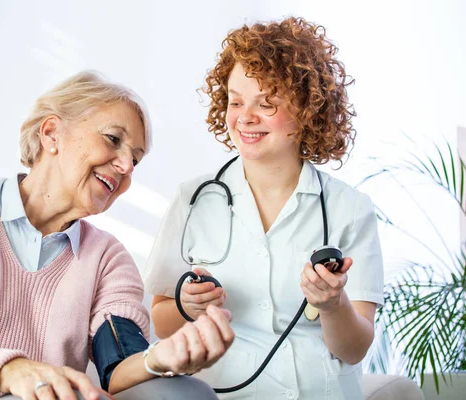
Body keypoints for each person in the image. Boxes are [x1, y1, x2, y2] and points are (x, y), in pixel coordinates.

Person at [0, 71, 234, 400]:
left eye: (135, 160)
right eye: (113, 139)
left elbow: (117, 360)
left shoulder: (108, 259)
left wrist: (157, 359)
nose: (127, 167)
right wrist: (14, 371)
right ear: (51, 133)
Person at [144, 17, 384, 400]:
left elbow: (354, 349)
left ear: (307, 110)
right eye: (235, 101)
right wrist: (187, 308)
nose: (245, 117)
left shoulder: (349, 208)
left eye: (266, 103)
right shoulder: (193, 199)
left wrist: (332, 304)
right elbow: (159, 323)